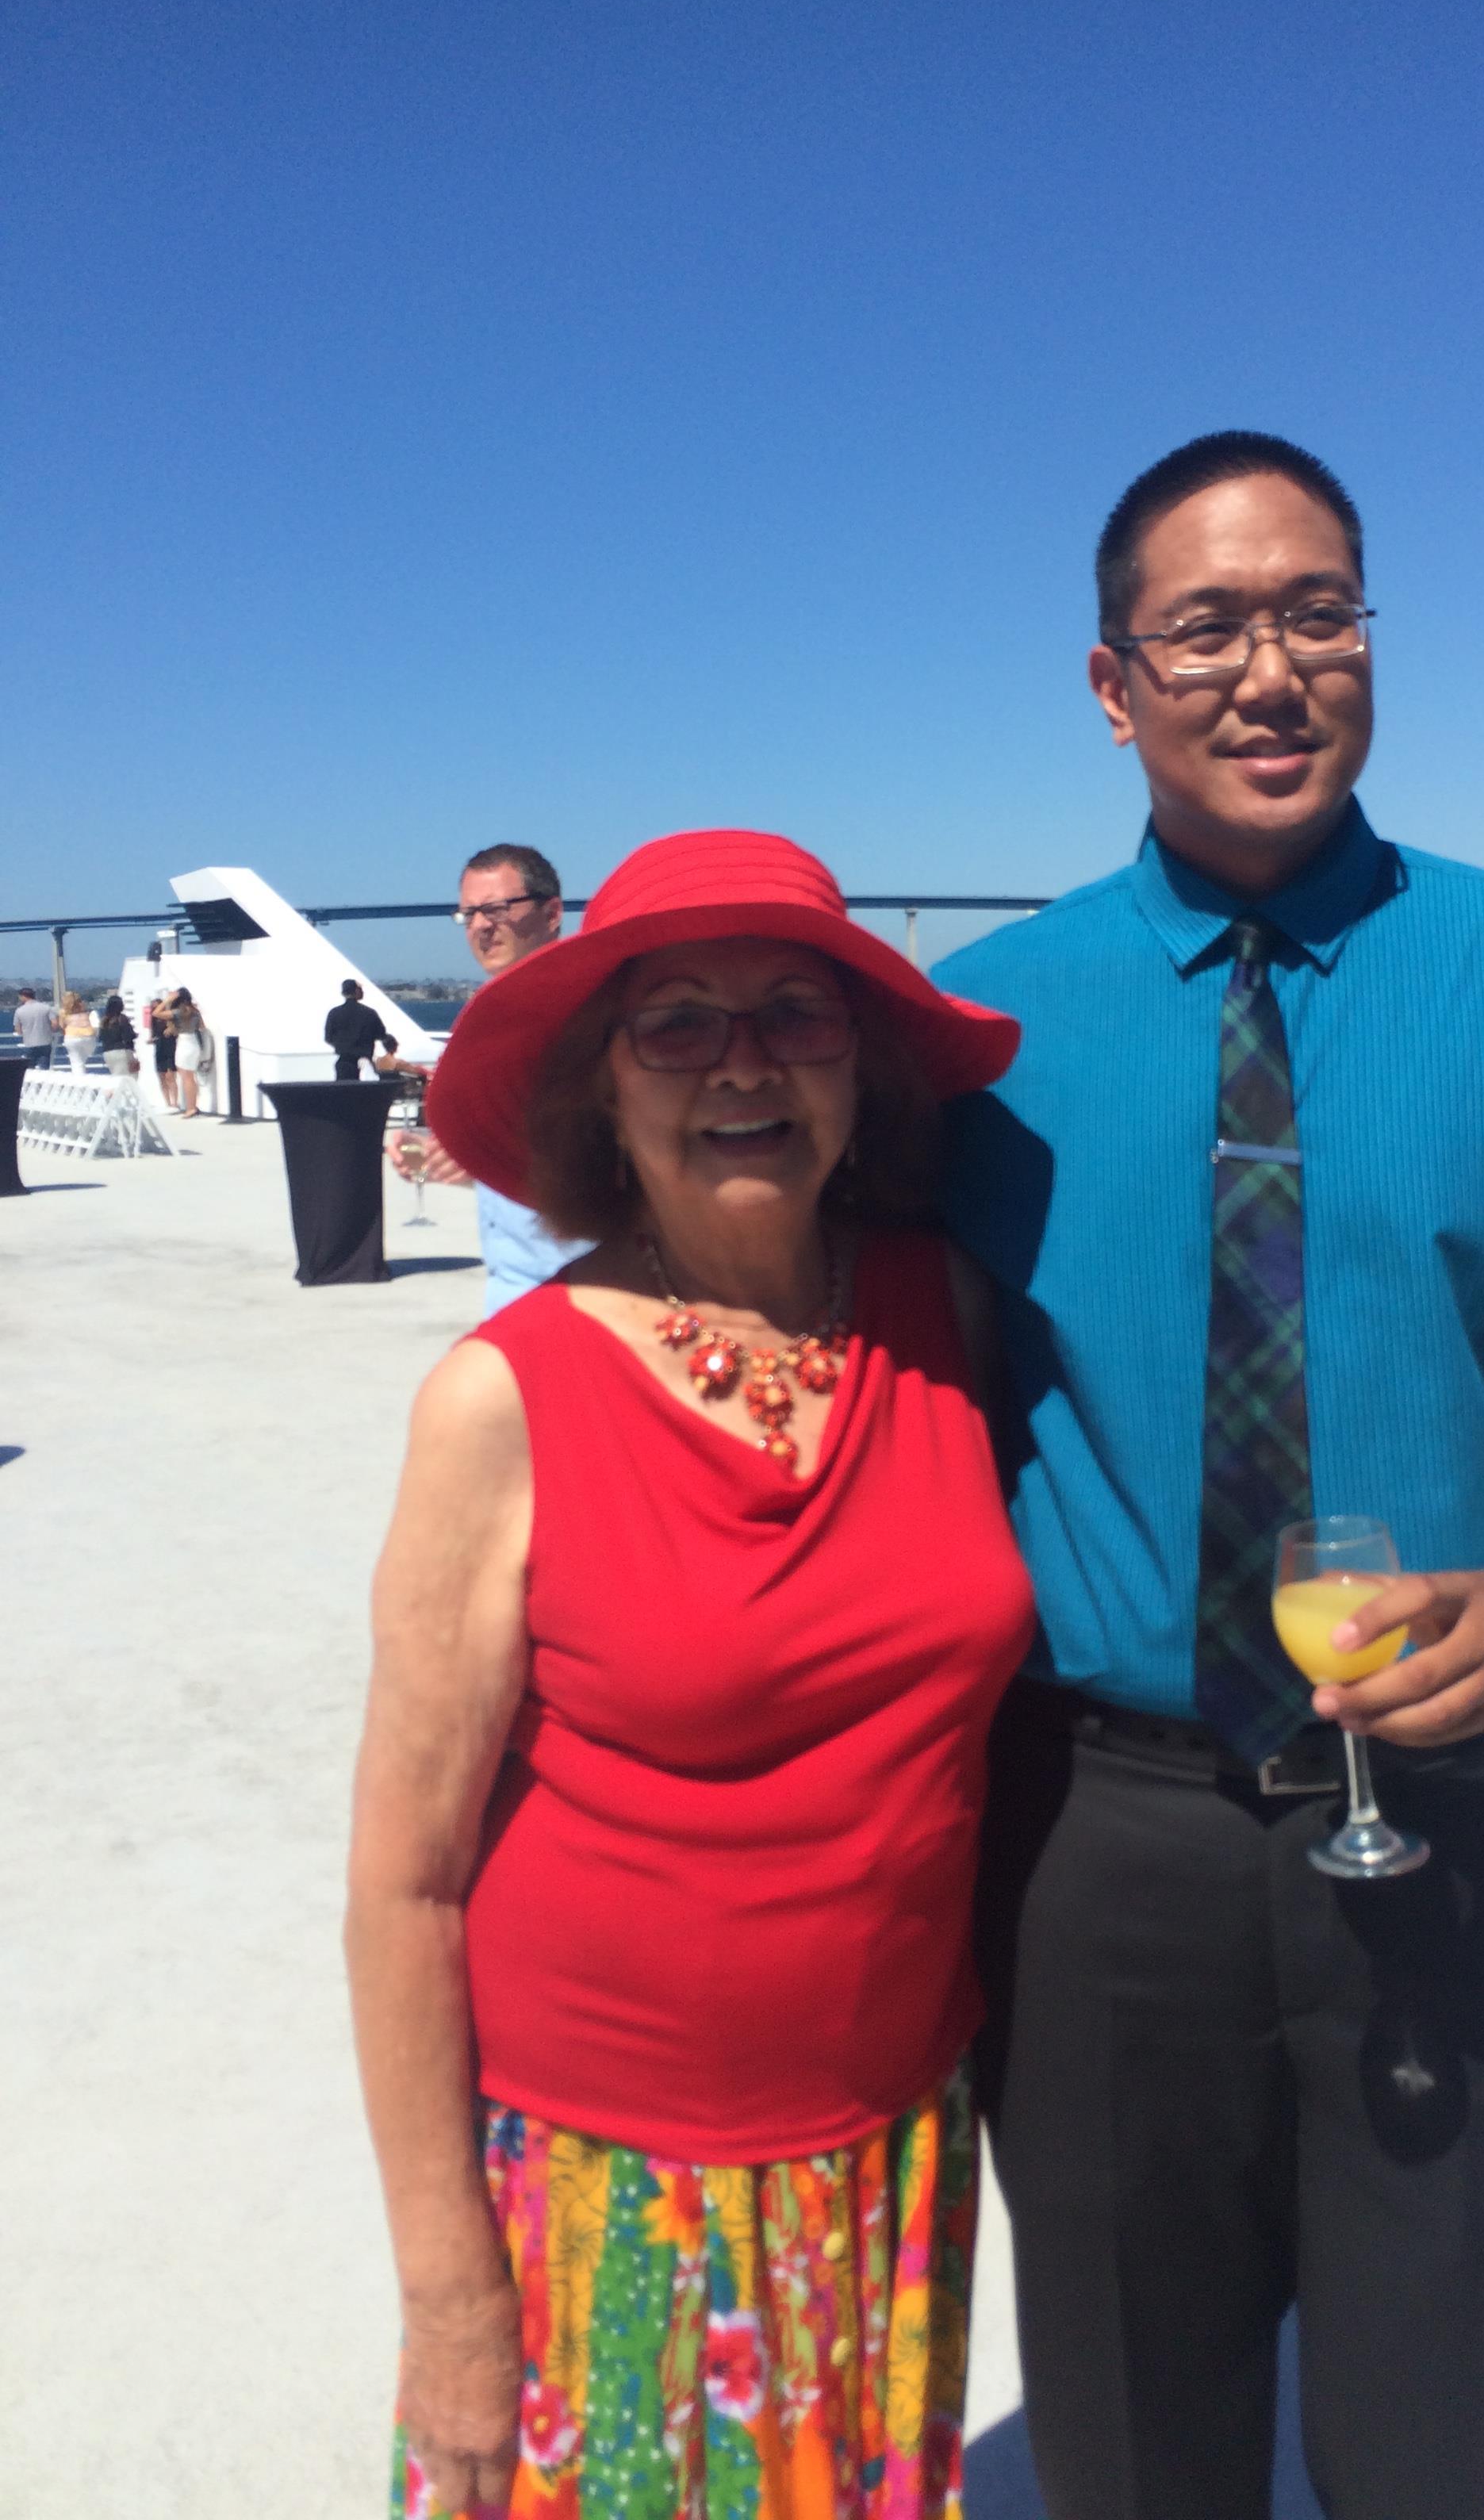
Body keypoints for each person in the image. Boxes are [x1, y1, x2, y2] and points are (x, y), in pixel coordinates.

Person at [937, 432, 1484, 2520]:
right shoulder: (978, 1028)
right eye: (1205, 627)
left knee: (1462, 2435)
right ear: (1114, 686)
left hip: (1456, 1809)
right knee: (1136, 2440)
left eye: (1320, 611)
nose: (1270, 668)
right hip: (1098, 1848)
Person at [347, 828, 1033, 2520]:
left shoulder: (944, 1308)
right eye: (677, 1025)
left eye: (796, 1014)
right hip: (607, 2185)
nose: (742, 1061)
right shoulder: (501, 1402)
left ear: (860, 1076)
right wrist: (448, 2297)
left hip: (887, 2145)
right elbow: (406, 1890)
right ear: (602, 1096)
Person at [388, 842, 595, 1313]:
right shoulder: (483, 1022)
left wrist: (487, 1161)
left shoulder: (594, 1019)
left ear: (552, 913)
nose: (482, 925)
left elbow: (625, 1162)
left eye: (497, 909)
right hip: (511, 1290)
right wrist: (458, 1164)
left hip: (587, 1290)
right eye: (469, 914)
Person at [324, 979, 399, 1082]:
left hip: (343, 1063)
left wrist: (344, 1044)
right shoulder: (369, 1013)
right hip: (365, 1063)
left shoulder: (334, 1013)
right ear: (356, 991)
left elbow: (328, 1038)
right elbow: (381, 1034)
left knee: (343, 1093)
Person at [171, 990, 211, 1116]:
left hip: (184, 1042)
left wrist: (167, 1001)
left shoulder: (178, 1012)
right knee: (190, 1077)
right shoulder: (195, 1012)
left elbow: (156, 1013)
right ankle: (192, 1106)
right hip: (194, 1043)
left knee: (186, 1077)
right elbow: (202, 1027)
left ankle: (191, 1108)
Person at [147, 992, 180, 1109]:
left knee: (171, 1077)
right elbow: (153, 1035)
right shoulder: (153, 1020)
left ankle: (175, 1102)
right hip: (160, 1047)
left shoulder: (169, 1019)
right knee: (162, 1077)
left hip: (170, 1047)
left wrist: (171, 1029)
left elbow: (176, 1032)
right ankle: (168, 1103)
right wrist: (152, 1039)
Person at [11, 986, 55, 1068]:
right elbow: (55, 1024)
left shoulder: (19, 1011)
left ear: (23, 996)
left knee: (30, 1068)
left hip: (29, 1043)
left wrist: (23, 1032)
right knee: (44, 1067)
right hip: (45, 1042)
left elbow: (18, 1029)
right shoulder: (46, 1007)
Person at [97, 994, 138, 1077]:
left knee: (116, 1076)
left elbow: (101, 1037)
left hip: (108, 1052)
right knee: (130, 1078)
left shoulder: (104, 1021)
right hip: (121, 1051)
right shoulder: (122, 1019)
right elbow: (128, 1036)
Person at [59, 992, 96, 1075]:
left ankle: (80, 1081)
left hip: (72, 1037)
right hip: (88, 1036)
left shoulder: (64, 1012)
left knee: (76, 1062)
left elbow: (62, 1026)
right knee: (84, 1059)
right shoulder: (85, 1009)